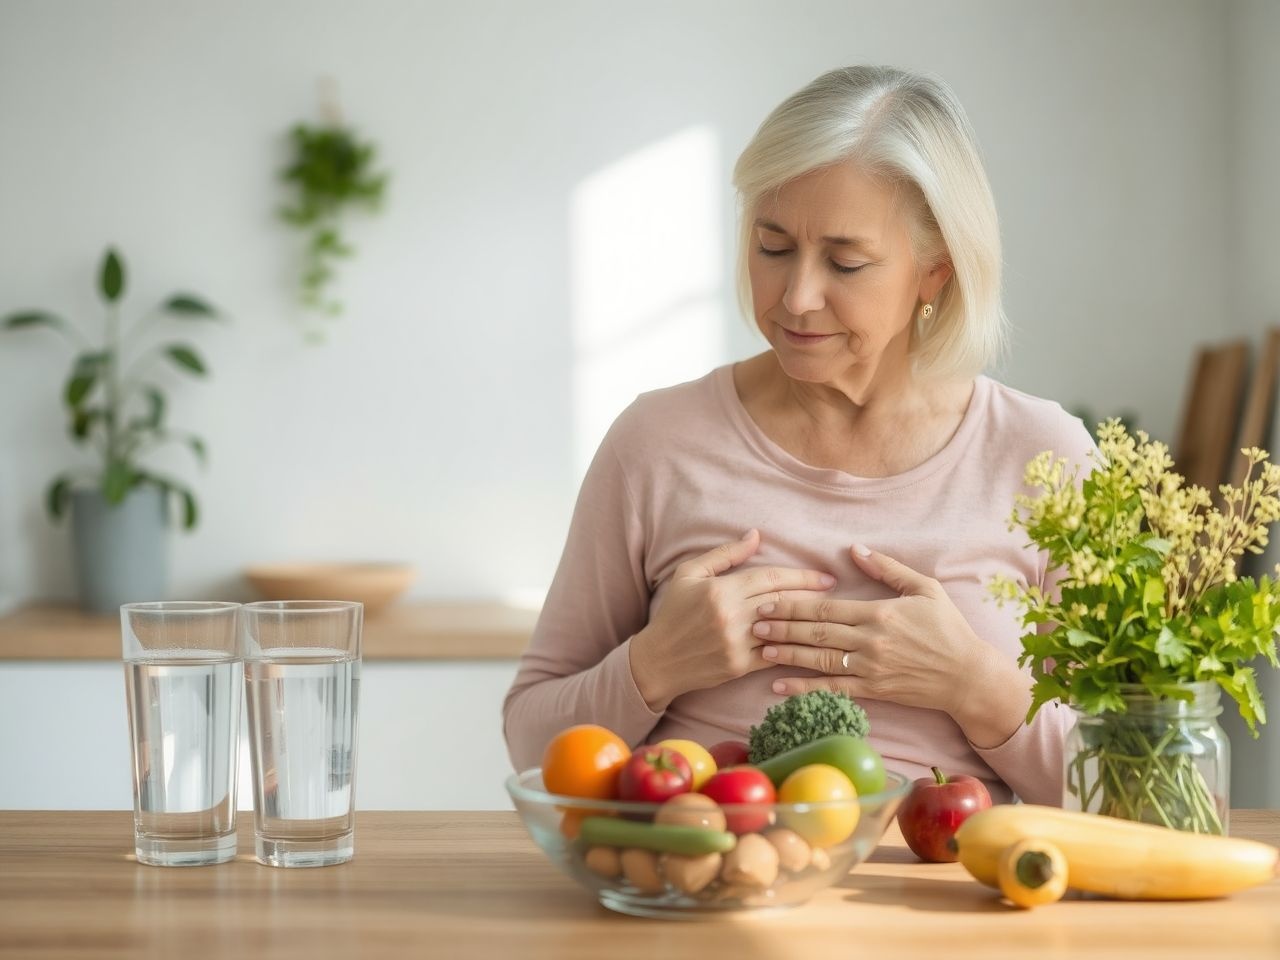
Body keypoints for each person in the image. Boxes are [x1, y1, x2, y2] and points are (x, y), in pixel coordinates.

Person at [502, 65, 1094, 805]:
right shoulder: (655, 443)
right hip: (704, 865)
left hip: (953, 875)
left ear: (935, 271)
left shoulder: (1045, 458)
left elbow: (1139, 792)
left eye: (846, 262)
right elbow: (530, 738)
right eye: (773, 248)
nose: (797, 296)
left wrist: (974, 684)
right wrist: (653, 666)